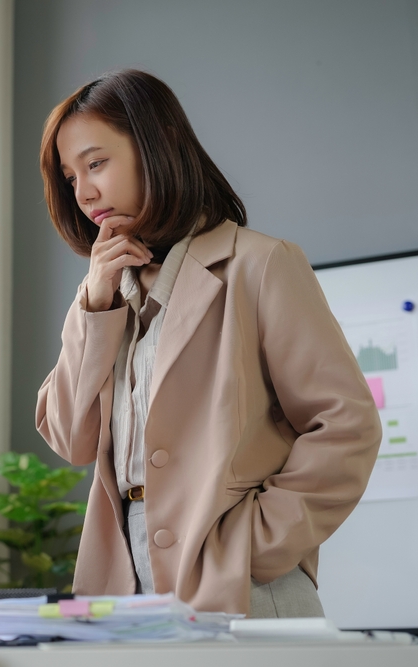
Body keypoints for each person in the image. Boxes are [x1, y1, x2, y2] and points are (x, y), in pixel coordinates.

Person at [35, 69, 381, 617]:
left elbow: (346, 424)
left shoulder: (260, 264)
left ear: (157, 146)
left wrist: (253, 544)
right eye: (71, 176)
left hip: (240, 583)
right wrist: (95, 307)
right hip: (124, 581)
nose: (85, 192)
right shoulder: (102, 297)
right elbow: (70, 437)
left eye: (96, 163)